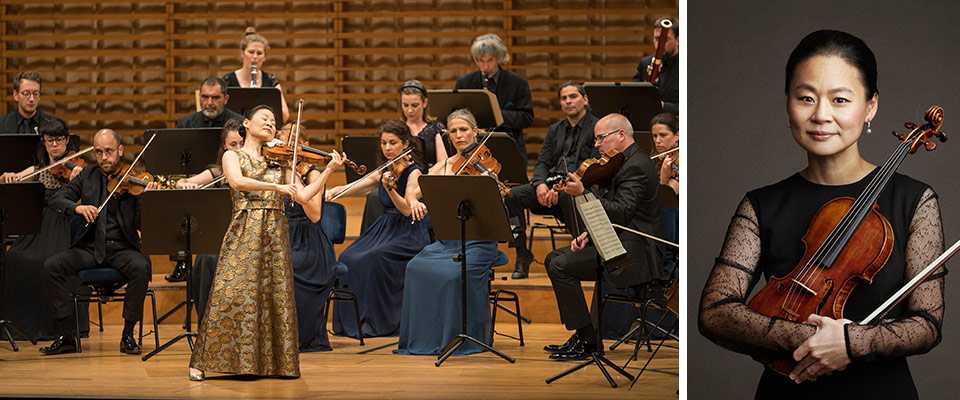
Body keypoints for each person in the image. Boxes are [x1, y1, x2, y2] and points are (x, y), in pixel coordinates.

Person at [697, 30, 944, 397]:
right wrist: (815, 337)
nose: (821, 115)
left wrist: (850, 342)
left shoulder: (914, 201)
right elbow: (715, 312)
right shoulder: (761, 203)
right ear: (788, 103)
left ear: (871, 106)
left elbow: (927, 324)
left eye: (840, 99)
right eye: (806, 98)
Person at [188, 105, 301, 380]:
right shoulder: (232, 155)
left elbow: (303, 194)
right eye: (265, 118)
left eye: (274, 121)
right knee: (229, 293)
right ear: (247, 124)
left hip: (275, 231)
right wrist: (276, 188)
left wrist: (328, 169)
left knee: (273, 295)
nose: (271, 123)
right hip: (245, 228)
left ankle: (274, 364)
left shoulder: (279, 161)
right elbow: (237, 182)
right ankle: (201, 361)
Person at [542, 113, 665, 361]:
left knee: (559, 265)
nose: (596, 144)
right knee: (553, 257)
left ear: (621, 135)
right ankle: (584, 335)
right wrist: (589, 233)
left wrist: (584, 192)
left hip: (636, 253)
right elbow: (619, 212)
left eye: (600, 138)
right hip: (620, 241)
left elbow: (621, 212)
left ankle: (588, 340)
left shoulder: (636, 166)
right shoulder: (625, 161)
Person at [395, 108, 509, 356]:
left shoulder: (486, 164)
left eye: (464, 130)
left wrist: (492, 186)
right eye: (454, 131)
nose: (459, 136)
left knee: (453, 275)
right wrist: (413, 199)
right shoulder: (444, 165)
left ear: (475, 132)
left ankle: (462, 336)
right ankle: (426, 339)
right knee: (414, 267)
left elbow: (495, 207)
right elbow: (415, 189)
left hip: (479, 243)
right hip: (448, 243)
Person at [40, 128, 159, 355]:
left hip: (122, 249)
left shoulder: (134, 180)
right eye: (99, 152)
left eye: (109, 151)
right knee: (50, 266)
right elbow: (57, 199)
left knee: (142, 266)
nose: (104, 158)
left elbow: (143, 225)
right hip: (89, 248)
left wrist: (148, 200)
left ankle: (127, 335)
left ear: (120, 150)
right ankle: (66, 335)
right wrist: (77, 207)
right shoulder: (86, 176)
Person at [325, 119, 432, 338]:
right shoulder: (386, 169)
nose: (388, 148)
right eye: (384, 143)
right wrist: (334, 191)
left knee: (374, 257)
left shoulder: (414, 172)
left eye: (393, 143)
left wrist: (390, 189)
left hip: (408, 231)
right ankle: (354, 320)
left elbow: (405, 209)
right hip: (385, 228)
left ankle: (377, 321)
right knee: (348, 256)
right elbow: (356, 185)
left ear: (405, 144)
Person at [0, 119, 88, 341]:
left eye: (59, 140)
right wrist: (7, 177)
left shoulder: (77, 168)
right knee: (13, 258)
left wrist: (79, 183)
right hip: (38, 228)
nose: (55, 145)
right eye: (50, 140)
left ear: (67, 141)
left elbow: (86, 200)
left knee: (49, 262)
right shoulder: (38, 170)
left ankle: (59, 327)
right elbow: (7, 180)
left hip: (65, 227)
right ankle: (25, 325)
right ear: (44, 142)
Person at [503, 80, 599, 279]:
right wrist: (539, 185)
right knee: (512, 195)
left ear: (585, 99)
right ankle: (522, 254)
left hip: (581, 187)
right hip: (550, 186)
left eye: (573, 96)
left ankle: (581, 252)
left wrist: (561, 188)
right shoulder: (555, 129)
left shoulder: (596, 127)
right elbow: (542, 163)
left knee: (568, 196)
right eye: (563, 98)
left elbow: (593, 165)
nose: (568, 101)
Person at [273, 122, 347, 352]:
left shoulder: (313, 173)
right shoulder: (275, 170)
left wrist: (304, 181)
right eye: (282, 146)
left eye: (291, 146)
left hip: (308, 244)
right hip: (282, 237)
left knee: (290, 269)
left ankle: (297, 337)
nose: (286, 151)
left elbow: (315, 215)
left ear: (304, 146)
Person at [167, 118, 244, 318]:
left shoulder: (256, 170)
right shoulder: (218, 172)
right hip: (220, 237)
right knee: (205, 260)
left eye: (241, 144)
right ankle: (206, 321)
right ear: (224, 146)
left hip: (247, 236)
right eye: (232, 145)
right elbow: (181, 182)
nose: (237, 149)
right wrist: (185, 185)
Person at [358, 80, 448, 233]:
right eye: (405, 105)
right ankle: (372, 237)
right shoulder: (397, 129)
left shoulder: (435, 128)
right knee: (374, 196)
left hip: (422, 183)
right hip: (398, 181)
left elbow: (443, 163)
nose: (410, 110)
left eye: (414, 105)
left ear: (424, 103)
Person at [455, 33, 534, 166]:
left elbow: (526, 118)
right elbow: (456, 115)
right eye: (481, 61)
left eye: (490, 60)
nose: (485, 66)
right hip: (473, 150)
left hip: (509, 150)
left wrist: (495, 114)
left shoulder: (517, 83)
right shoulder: (465, 83)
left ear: (499, 58)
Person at [222, 27, 290, 123]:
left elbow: (285, 115)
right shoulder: (228, 80)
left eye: (259, 53)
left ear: (264, 57)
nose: (255, 57)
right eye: (251, 52)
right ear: (242, 53)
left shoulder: (270, 80)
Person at [633, 17, 679, 115]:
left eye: (665, 39)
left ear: (678, 40)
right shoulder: (645, 63)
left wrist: (662, 106)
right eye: (656, 39)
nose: (659, 44)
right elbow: (633, 94)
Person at [0, 71, 67, 134]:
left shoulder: (57, 125)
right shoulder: (1, 124)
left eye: (35, 94)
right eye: (26, 94)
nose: (32, 99)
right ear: (16, 95)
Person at [175, 76, 243, 129]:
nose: (209, 103)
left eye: (215, 97)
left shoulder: (240, 123)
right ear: (199, 97)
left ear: (226, 99)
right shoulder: (185, 124)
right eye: (205, 97)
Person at [650, 112, 679, 195]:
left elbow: (665, 200)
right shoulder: (655, 159)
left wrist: (664, 178)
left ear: (677, 136)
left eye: (663, 135)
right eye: (655, 136)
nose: (657, 141)